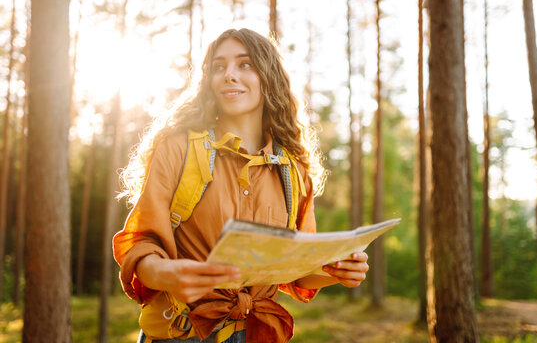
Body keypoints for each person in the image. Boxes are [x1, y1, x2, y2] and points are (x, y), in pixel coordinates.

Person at [113, 28, 369, 343]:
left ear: (269, 77)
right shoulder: (178, 148)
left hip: (258, 334)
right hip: (180, 334)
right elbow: (140, 244)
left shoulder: (295, 170)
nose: (229, 75)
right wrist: (168, 275)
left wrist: (337, 270)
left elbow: (298, 267)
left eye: (244, 64)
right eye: (219, 67)